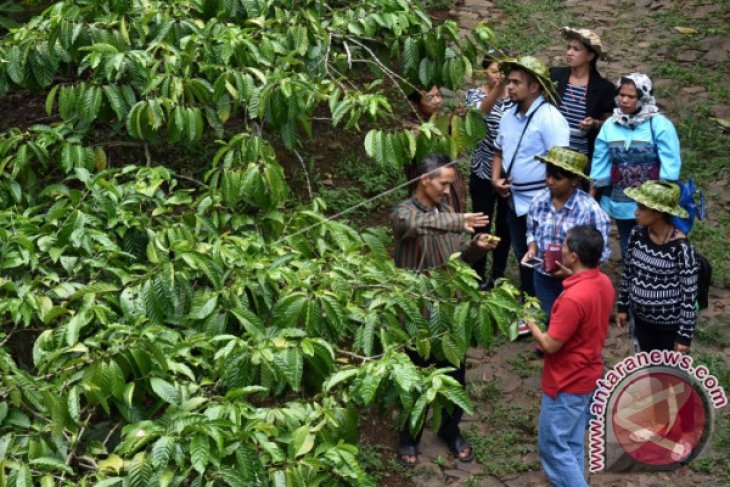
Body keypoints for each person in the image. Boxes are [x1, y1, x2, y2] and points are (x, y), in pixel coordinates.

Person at [391, 153, 498, 466]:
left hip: (449, 312)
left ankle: (449, 431)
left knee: (454, 377)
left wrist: (476, 247)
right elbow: (414, 224)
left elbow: (458, 262)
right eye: (444, 183)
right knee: (414, 380)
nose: (448, 191)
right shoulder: (403, 212)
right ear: (425, 179)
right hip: (416, 314)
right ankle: (409, 437)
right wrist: (458, 221)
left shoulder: (448, 210)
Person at [525, 225, 614, 487]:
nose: (560, 248)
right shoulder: (603, 283)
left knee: (552, 447)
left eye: (564, 245)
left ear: (574, 255)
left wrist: (529, 323)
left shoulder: (573, 299)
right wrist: (569, 276)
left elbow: (550, 345)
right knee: (571, 441)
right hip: (588, 375)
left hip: (566, 381)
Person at [492, 56, 570, 296]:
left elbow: (561, 163)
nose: (510, 87)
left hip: (542, 201)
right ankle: (530, 300)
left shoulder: (550, 118)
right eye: (509, 82)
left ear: (534, 87)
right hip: (514, 199)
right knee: (522, 252)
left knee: (547, 254)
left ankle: (549, 304)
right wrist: (495, 179)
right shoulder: (508, 115)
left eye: (517, 82)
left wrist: (554, 202)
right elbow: (498, 150)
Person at [590, 73, 682, 258]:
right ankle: (632, 281)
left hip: (654, 203)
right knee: (628, 246)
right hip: (621, 200)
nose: (623, 100)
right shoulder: (610, 125)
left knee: (657, 245)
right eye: (621, 95)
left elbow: (670, 164)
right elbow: (601, 161)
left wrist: (662, 200)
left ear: (643, 98)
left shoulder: (659, 125)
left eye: (631, 96)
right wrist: (592, 196)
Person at [523, 146, 610, 325]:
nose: (550, 181)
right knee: (548, 318)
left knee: (572, 322)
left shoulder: (589, 209)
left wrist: (575, 273)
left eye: (557, 178)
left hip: (576, 281)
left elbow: (601, 251)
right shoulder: (539, 200)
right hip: (543, 275)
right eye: (548, 175)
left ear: (574, 180)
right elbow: (531, 230)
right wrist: (532, 248)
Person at [616, 180, 699, 353]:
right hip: (641, 321)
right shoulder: (637, 234)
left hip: (670, 327)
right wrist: (622, 306)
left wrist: (684, 336)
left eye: (642, 208)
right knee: (648, 371)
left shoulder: (681, 247)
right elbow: (629, 272)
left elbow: (689, 295)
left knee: (670, 376)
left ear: (658, 213)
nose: (636, 212)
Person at [465, 52, 514, 287]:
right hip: (482, 169)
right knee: (481, 223)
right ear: (485, 72)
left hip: (510, 173)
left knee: (505, 225)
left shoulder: (516, 97)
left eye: (503, 72)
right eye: (495, 71)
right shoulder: (474, 94)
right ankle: (476, 273)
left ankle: (498, 275)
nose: (500, 76)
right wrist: (498, 88)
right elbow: (481, 112)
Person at [550, 27, 615, 166]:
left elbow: (612, 124)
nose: (569, 52)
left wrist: (595, 124)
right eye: (569, 48)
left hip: (582, 159)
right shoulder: (554, 76)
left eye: (576, 49)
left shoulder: (604, 88)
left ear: (590, 56)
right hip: (550, 152)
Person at [406, 86, 468, 213]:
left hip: (451, 183)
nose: (437, 101)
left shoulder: (445, 119)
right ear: (415, 103)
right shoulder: (411, 126)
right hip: (427, 189)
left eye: (438, 95)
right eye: (430, 97)